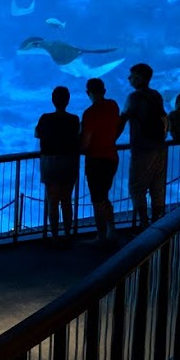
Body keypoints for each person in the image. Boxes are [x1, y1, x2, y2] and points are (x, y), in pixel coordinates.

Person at [116, 63, 169, 227]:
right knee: (157, 188)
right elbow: (164, 119)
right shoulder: (156, 95)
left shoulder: (134, 97)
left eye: (132, 76)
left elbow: (122, 119)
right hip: (160, 147)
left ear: (139, 78)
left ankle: (144, 224)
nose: (129, 79)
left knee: (136, 187)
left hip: (142, 149)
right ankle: (157, 224)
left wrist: (111, 139)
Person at [34, 86, 82, 241]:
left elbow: (37, 133)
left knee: (53, 201)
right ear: (68, 100)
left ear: (52, 100)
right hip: (69, 163)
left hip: (50, 164)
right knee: (66, 200)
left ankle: (54, 235)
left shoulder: (45, 118)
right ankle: (68, 234)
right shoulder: (74, 119)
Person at [80, 78, 121, 243]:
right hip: (112, 158)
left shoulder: (90, 113)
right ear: (104, 91)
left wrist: (79, 148)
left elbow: (86, 141)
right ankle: (112, 230)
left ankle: (101, 236)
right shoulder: (113, 106)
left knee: (97, 200)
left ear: (88, 93)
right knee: (104, 196)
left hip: (96, 160)